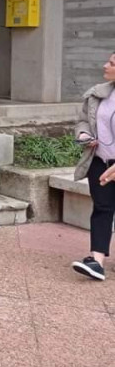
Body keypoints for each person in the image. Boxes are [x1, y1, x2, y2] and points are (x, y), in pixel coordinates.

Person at [71, 52, 115, 281]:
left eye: (111, 63)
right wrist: (84, 134)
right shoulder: (98, 94)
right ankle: (96, 262)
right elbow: (82, 121)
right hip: (99, 161)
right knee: (102, 209)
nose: (105, 66)